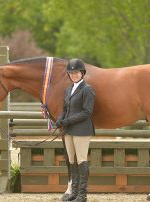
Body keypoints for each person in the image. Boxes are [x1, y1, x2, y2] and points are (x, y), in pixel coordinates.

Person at [57, 58, 95, 202]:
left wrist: (67, 121)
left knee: (81, 160)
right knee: (71, 161)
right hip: (69, 130)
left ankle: (82, 194)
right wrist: (60, 119)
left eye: (76, 72)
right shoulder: (68, 90)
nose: (74, 75)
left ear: (82, 73)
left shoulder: (87, 89)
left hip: (82, 130)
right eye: (71, 72)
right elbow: (65, 109)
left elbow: (87, 112)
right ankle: (74, 192)